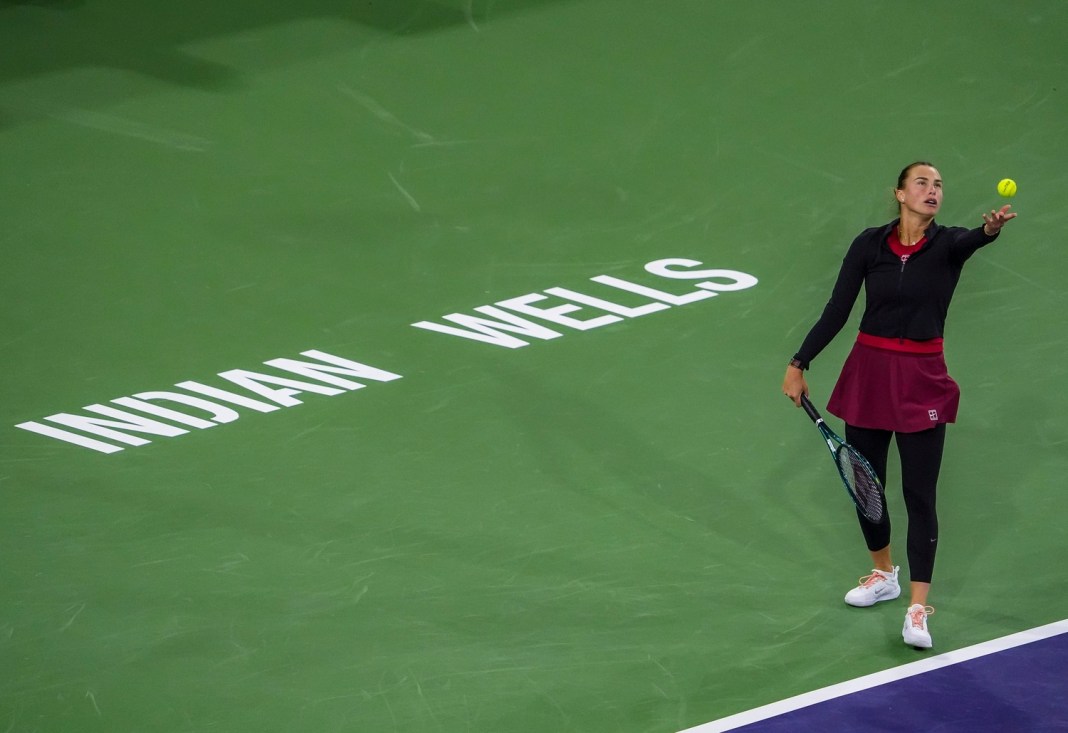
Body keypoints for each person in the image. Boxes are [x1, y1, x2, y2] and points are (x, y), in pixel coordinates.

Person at [782, 162, 1016, 649]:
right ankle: (883, 574)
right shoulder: (869, 244)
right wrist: (799, 361)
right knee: (867, 483)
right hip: (868, 375)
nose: (932, 191)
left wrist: (989, 230)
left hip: (921, 381)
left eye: (938, 186)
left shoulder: (949, 244)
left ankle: (916, 607)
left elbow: (976, 239)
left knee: (920, 495)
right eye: (922, 184)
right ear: (900, 194)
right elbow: (838, 308)